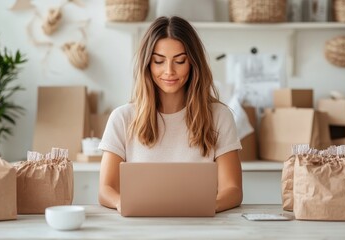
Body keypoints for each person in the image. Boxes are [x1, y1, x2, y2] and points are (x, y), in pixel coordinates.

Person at [98, 16, 242, 213]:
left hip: (201, 225)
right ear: (147, 64)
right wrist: (121, 203)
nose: (169, 71)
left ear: (193, 63)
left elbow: (232, 189)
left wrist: (203, 207)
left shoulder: (219, 116)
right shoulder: (122, 118)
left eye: (180, 61)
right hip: (140, 225)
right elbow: (106, 189)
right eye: (159, 61)